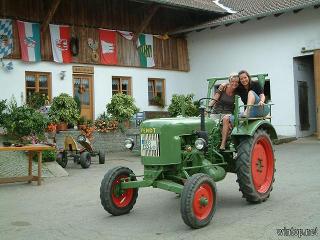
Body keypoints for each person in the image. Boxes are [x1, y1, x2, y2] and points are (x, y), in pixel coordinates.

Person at [208, 73, 239, 150]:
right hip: (216, 112)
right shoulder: (223, 87)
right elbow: (215, 98)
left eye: (236, 82)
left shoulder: (238, 91)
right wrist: (208, 107)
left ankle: (223, 144)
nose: (234, 83)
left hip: (228, 113)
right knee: (206, 121)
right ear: (229, 81)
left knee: (226, 119)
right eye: (233, 81)